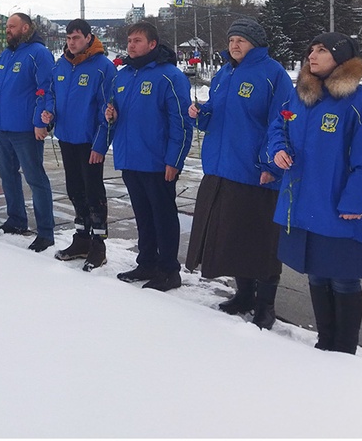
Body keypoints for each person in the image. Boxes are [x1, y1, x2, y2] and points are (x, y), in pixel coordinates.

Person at [270, 32, 362, 354]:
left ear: (340, 58)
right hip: (305, 204)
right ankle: (324, 341)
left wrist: (355, 202)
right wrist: (278, 149)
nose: (312, 55)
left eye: (322, 50)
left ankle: (344, 349)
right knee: (316, 276)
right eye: (311, 49)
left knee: (343, 279)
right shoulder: (299, 97)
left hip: (339, 206)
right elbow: (278, 128)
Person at [185, 18, 294, 329]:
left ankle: (266, 305)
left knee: (262, 243)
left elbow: (283, 122)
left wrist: (271, 166)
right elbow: (218, 115)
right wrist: (202, 114)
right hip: (222, 169)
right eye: (232, 39)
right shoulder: (224, 73)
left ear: (256, 43)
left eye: (242, 40)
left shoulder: (273, 74)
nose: (235, 45)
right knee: (234, 239)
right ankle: (244, 295)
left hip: (256, 172)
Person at [105, 21, 193, 292]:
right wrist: (110, 115)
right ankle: (146, 262)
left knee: (163, 216)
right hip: (131, 158)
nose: (131, 44)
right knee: (143, 215)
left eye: (137, 40)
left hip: (157, 161)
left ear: (152, 44)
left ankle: (168, 270)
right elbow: (115, 110)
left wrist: (173, 160)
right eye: (130, 40)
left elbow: (180, 121)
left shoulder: (169, 76)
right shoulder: (123, 75)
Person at [0, 13, 56, 252]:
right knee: (7, 176)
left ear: (25, 28)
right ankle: (16, 219)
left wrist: (40, 122)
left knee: (35, 179)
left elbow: (46, 88)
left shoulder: (39, 53)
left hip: (26, 129)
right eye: (7, 26)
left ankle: (45, 232)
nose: (7, 30)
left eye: (11, 26)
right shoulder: (6, 53)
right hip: (5, 127)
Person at [41, 18, 116, 271]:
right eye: (68, 38)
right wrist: (49, 113)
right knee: (74, 189)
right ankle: (81, 239)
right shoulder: (61, 65)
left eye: (76, 37)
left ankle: (98, 244)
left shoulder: (102, 67)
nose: (71, 42)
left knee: (93, 192)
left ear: (88, 38)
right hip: (66, 137)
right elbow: (51, 93)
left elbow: (108, 107)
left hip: (89, 141)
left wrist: (100, 144)